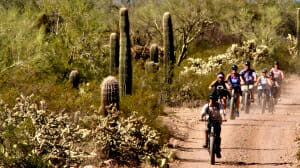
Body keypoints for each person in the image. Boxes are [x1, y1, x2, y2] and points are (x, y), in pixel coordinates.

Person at [201, 92, 227, 158]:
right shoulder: (207, 106)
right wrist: (201, 117)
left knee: (218, 136)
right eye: (211, 99)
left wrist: (224, 118)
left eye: (213, 99)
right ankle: (206, 142)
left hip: (218, 121)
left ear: (216, 99)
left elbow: (222, 112)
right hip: (209, 121)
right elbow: (203, 112)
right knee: (206, 130)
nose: (212, 100)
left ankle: (218, 150)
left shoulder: (219, 105)